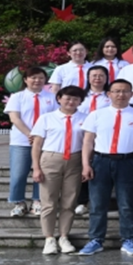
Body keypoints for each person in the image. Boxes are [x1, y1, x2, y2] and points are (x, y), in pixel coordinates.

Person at [78, 79, 133, 256]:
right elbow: (88, 141)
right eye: (116, 91)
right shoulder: (96, 114)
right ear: (109, 94)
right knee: (97, 204)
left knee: (126, 204)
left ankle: (128, 239)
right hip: (101, 161)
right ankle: (96, 239)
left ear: (131, 94)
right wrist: (86, 164)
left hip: (128, 161)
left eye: (125, 91)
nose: (121, 94)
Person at [30, 85, 87, 255]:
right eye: (67, 98)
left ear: (80, 101)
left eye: (75, 99)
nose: (71, 102)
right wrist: (36, 167)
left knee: (69, 201)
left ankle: (64, 236)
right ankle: (49, 238)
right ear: (59, 98)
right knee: (49, 201)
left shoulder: (85, 118)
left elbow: (88, 142)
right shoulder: (47, 118)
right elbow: (37, 145)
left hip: (75, 160)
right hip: (51, 158)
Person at [4, 67, 57, 217]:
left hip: (46, 142)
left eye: (41, 78)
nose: (37, 80)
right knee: (19, 173)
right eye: (33, 77)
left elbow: (55, 118)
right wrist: (30, 134)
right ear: (25, 80)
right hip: (21, 141)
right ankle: (18, 202)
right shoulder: (17, 97)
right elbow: (14, 118)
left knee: (41, 173)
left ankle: (37, 201)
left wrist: (41, 136)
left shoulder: (52, 97)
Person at [74, 66, 111, 216]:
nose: (97, 78)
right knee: (84, 166)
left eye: (101, 75)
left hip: (104, 136)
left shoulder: (111, 96)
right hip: (81, 134)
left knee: (101, 168)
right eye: (94, 75)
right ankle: (82, 201)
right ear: (88, 78)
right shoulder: (80, 96)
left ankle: (102, 201)